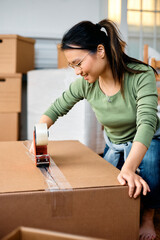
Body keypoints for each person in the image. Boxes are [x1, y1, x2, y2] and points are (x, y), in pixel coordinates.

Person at [31, 19, 160, 240]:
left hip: (147, 142)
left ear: (100, 50)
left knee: (150, 169)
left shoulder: (141, 75)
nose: (77, 72)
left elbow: (147, 123)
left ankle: (148, 218)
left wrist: (129, 168)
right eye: (72, 66)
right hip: (114, 145)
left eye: (78, 63)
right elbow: (55, 109)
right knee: (107, 187)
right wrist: (38, 139)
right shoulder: (86, 84)